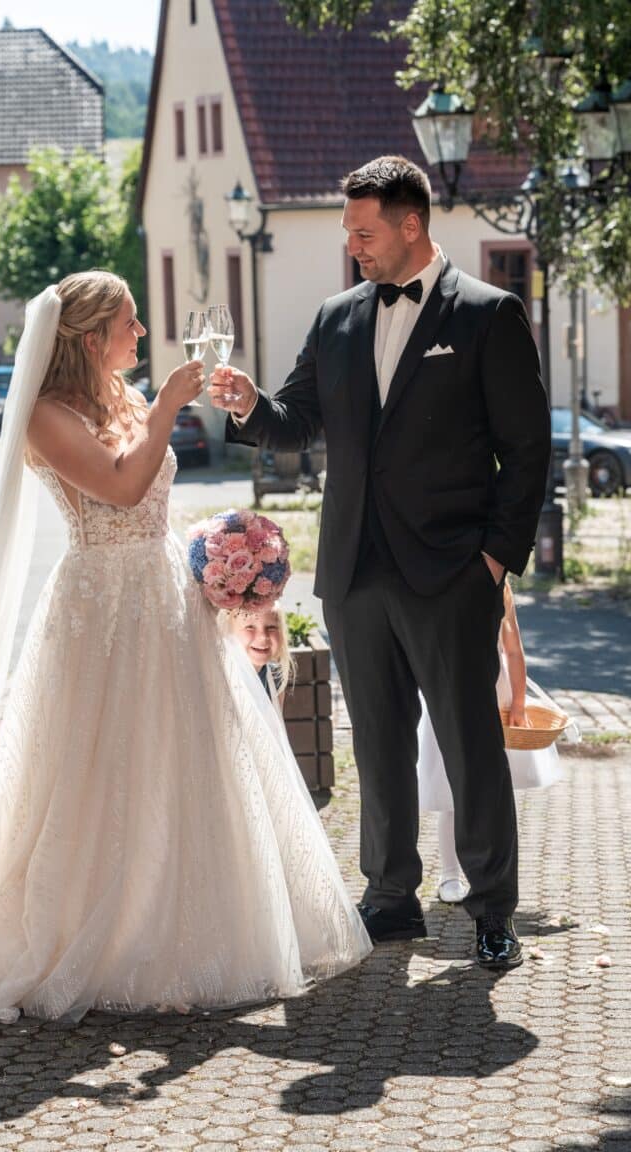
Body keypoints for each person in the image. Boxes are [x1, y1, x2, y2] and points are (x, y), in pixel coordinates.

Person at [0, 270, 370, 1029]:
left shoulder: (120, 398)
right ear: (93, 336)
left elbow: (157, 501)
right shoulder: (45, 415)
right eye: (130, 323)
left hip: (167, 595)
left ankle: (193, 920)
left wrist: (218, 556)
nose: (141, 335)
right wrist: (169, 403)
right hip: (98, 606)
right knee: (95, 765)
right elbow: (122, 488)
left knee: (184, 757)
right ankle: (98, 936)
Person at [211, 155, 552, 970]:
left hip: (452, 574)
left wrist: (496, 563)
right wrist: (251, 405)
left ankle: (492, 906)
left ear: (411, 224)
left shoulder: (489, 315)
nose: (353, 245)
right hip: (356, 569)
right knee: (377, 742)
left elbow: (527, 451)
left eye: (365, 232)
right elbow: (295, 419)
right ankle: (390, 895)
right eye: (347, 232)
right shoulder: (335, 319)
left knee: (471, 745)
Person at [418, 581, 563, 905]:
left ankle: (493, 874)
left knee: (493, 791)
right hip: (450, 696)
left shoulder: (499, 592)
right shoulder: (438, 586)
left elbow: (513, 651)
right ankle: (450, 874)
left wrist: (520, 704)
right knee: (452, 793)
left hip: (496, 697)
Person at [221, 603, 294, 714]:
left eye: (271, 627)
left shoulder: (275, 675)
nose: (263, 637)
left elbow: (276, 727)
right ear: (230, 631)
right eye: (250, 627)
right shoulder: (224, 677)